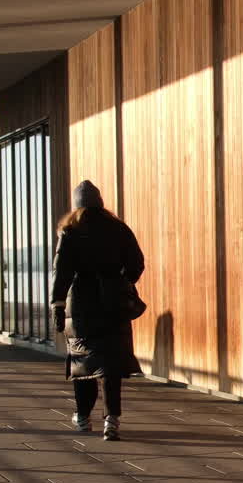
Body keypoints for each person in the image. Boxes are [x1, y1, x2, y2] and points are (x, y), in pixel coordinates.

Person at [51, 180, 145, 441]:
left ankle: (83, 418)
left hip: (81, 304)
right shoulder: (118, 228)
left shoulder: (70, 230)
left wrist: (57, 305)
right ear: (101, 203)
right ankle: (111, 420)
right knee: (111, 365)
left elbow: (62, 273)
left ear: (77, 205)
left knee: (84, 363)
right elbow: (137, 263)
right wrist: (120, 283)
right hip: (114, 304)